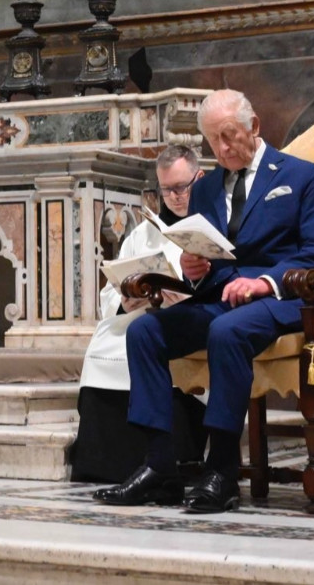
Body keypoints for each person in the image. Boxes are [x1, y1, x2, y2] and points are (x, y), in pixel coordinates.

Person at [95, 89, 314, 511]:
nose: (222, 149)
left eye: (229, 136)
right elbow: (214, 257)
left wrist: (263, 282)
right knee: (146, 331)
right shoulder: (206, 190)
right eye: (213, 141)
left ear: (254, 126)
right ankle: (160, 468)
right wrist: (196, 267)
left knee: (226, 331)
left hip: (289, 299)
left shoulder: (301, 176)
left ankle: (222, 469)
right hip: (222, 298)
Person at [73, 146, 206, 483]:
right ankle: (104, 465)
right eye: (166, 190)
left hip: (185, 318)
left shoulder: (210, 227)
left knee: (149, 338)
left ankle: (169, 460)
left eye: (182, 187)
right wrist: (124, 298)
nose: (174, 197)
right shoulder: (144, 233)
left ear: (198, 178)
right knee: (104, 342)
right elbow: (111, 288)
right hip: (137, 315)